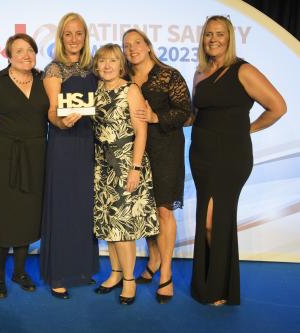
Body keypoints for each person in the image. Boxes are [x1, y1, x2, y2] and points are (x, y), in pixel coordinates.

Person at [189, 15, 286, 306]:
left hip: (230, 157)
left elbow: (278, 106)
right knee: (209, 220)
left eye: (219, 34)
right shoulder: (200, 73)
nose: (213, 39)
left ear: (230, 38)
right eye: (208, 34)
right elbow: (196, 114)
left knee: (213, 222)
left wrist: (250, 127)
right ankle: (212, 284)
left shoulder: (243, 70)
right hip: (201, 156)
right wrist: (159, 117)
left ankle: (219, 287)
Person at [122, 29, 191, 303]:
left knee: (163, 211)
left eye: (137, 43)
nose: (132, 49)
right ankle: (152, 261)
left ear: (148, 46)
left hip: (165, 150)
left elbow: (186, 111)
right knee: (147, 211)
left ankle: (166, 274)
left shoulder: (169, 75)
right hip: (137, 152)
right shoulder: (125, 78)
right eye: (127, 45)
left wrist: (155, 116)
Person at [0, 33, 49, 298]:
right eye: (19, 51)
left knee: (27, 213)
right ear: (8, 55)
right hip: (1, 157)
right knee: (2, 215)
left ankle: (19, 271)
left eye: (30, 50)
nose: (26, 55)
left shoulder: (45, 81)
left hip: (36, 155)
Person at [91, 44, 158, 305]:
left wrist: (136, 168)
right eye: (102, 61)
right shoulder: (96, 89)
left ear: (121, 65)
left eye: (112, 61)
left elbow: (142, 132)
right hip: (101, 164)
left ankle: (129, 281)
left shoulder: (131, 90)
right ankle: (116, 273)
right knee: (109, 224)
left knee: (123, 227)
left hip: (126, 163)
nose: (107, 66)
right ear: (96, 65)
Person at [39, 12, 99, 299]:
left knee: (84, 206)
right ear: (61, 38)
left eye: (79, 33)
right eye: (68, 34)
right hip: (64, 142)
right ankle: (59, 273)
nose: (74, 39)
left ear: (85, 37)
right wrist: (61, 123)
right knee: (63, 206)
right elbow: (52, 111)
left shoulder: (95, 69)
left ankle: (82, 268)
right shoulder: (54, 70)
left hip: (89, 143)